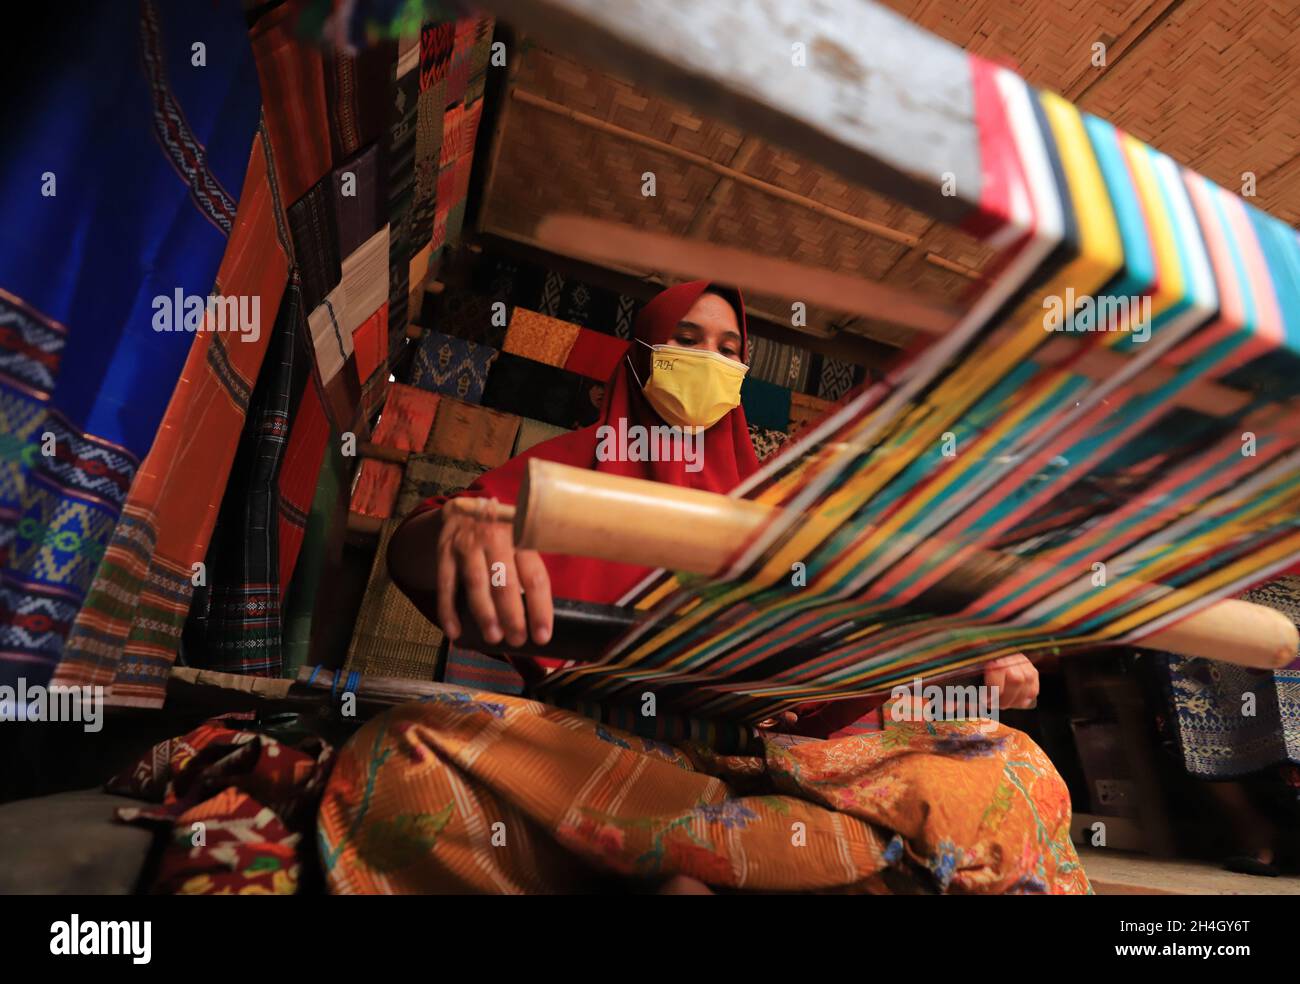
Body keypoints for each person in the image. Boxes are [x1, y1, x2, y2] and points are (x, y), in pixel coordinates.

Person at [318, 281, 1085, 894]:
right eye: (687, 340)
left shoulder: (774, 504)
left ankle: (670, 859)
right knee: (400, 761)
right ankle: (736, 861)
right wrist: (454, 528)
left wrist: (959, 663)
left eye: (728, 348)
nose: (711, 361)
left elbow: (837, 676)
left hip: (758, 769)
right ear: (642, 354)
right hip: (591, 754)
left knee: (1010, 767)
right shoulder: (566, 473)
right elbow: (417, 555)